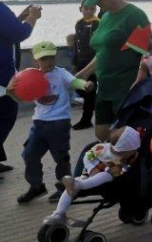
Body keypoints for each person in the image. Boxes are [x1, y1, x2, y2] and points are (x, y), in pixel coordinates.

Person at [11, 42, 93, 204]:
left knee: (61, 158)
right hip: (38, 124)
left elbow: (74, 81)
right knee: (29, 154)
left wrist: (85, 85)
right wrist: (12, 92)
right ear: (36, 61)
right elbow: (21, 98)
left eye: (51, 57)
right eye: (43, 59)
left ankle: (64, 189)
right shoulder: (30, 76)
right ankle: (36, 186)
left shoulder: (61, 73)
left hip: (59, 123)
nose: (48, 61)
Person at [75, 0, 150, 142]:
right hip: (105, 87)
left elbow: (146, 54)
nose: (97, 4)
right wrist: (85, 72)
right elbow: (104, 50)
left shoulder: (134, 15)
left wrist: (139, 79)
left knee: (127, 136)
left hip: (126, 86)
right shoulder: (106, 16)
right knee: (101, 133)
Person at [45, 126, 140, 224]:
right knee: (74, 186)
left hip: (104, 177)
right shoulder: (102, 148)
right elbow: (87, 156)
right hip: (90, 172)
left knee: (103, 176)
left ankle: (71, 191)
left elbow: (124, 169)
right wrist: (93, 169)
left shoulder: (127, 158)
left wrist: (116, 170)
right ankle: (58, 213)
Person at [0, 0, 41, 176]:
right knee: (6, 114)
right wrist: (33, 17)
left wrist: (19, 19)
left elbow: (7, 30)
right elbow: (18, 34)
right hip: (2, 78)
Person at [67, 2, 99, 130]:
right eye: (86, 8)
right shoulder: (79, 23)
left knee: (89, 89)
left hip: (92, 61)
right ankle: (96, 101)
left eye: (92, 8)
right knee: (78, 87)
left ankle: (86, 120)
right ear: (81, 9)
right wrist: (74, 62)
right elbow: (76, 44)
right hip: (81, 60)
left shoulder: (98, 23)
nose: (89, 11)